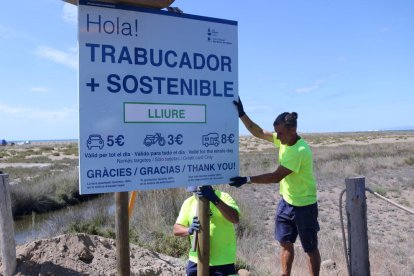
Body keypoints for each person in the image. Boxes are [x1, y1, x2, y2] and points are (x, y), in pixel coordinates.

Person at [229, 98, 321, 276]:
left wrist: (247, 179)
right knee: (285, 243)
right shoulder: (284, 140)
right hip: (286, 203)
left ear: (292, 130)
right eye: (276, 132)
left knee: (310, 248)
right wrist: (242, 113)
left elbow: (275, 176)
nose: (276, 137)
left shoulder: (299, 151)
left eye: (280, 133)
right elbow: (259, 132)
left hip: (304, 206)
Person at [173, 185, 240, 276]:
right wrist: (189, 230)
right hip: (196, 260)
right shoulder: (189, 202)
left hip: (222, 262)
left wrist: (215, 199)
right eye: (194, 191)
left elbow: (235, 218)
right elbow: (176, 229)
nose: (196, 194)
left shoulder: (224, 197)